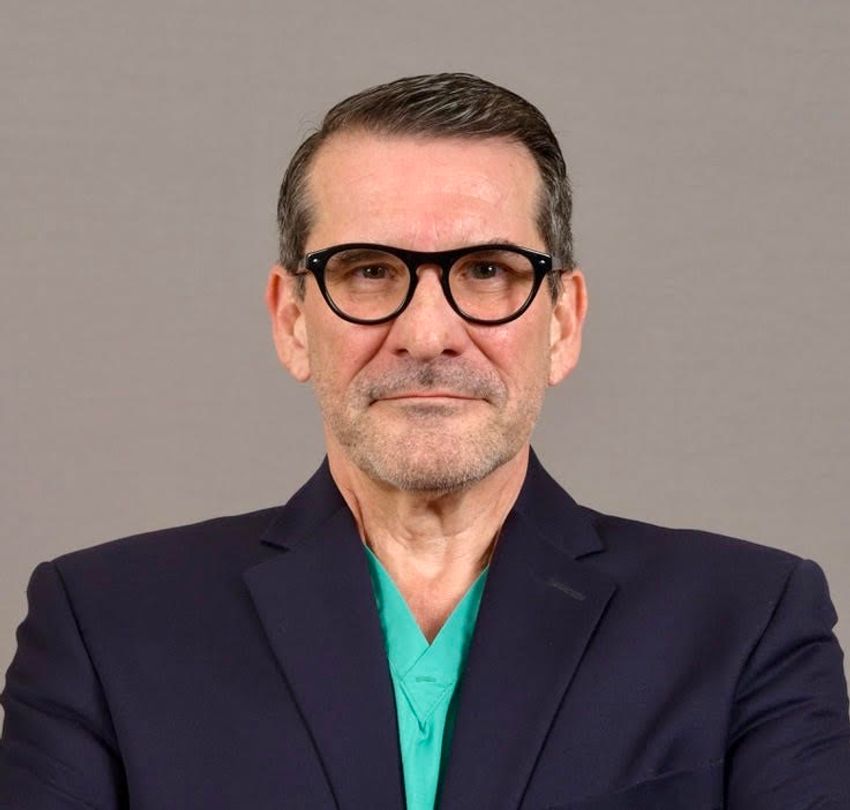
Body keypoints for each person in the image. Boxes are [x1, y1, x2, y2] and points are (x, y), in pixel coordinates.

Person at [1, 73, 848, 810]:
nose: (429, 332)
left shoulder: (747, 623)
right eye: (369, 270)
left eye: (487, 271)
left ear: (563, 322)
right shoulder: (105, 625)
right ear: (293, 320)